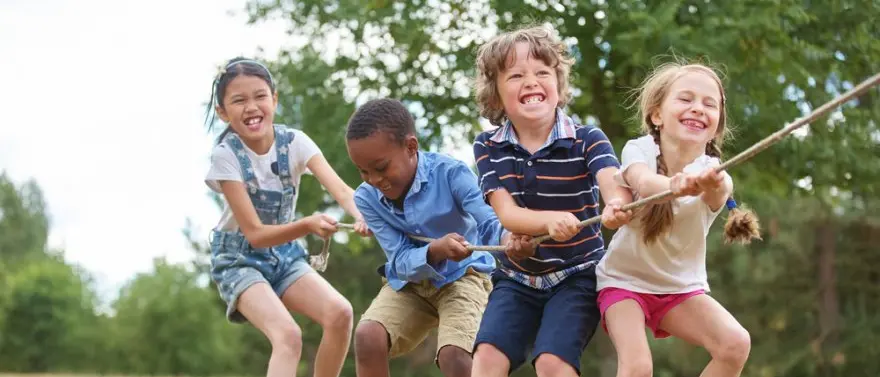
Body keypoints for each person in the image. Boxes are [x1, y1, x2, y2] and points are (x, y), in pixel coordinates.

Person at [469, 25, 634, 377]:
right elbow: (507, 213)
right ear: (496, 96)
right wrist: (548, 221)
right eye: (515, 75)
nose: (531, 81)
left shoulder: (587, 138)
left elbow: (611, 181)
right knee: (486, 359)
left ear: (558, 86)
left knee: (552, 363)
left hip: (578, 274)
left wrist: (616, 204)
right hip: (517, 279)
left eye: (542, 73)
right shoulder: (487, 146)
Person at [204, 57, 369, 377]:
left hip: (284, 256)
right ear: (223, 112)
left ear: (274, 99)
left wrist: (363, 218)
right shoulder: (226, 156)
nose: (251, 107)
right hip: (239, 259)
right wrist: (308, 224)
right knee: (288, 336)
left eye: (260, 96)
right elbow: (254, 233)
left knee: (340, 313)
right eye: (238, 100)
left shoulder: (295, 142)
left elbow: (345, 193)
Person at [595, 61, 762, 377]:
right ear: (657, 115)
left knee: (735, 344)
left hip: (680, 290)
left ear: (715, 126)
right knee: (638, 366)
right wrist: (675, 185)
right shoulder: (638, 149)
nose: (698, 108)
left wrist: (713, 183)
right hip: (623, 283)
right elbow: (642, 182)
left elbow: (721, 190)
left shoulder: (709, 168)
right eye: (686, 99)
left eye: (709, 104)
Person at [344, 98, 533, 377]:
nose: (373, 179)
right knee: (368, 336)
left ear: (411, 147)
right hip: (411, 284)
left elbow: (488, 219)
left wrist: (509, 241)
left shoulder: (451, 173)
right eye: (363, 171)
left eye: (381, 167)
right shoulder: (367, 198)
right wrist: (435, 250)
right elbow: (398, 260)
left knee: (454, 356)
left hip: (465, 276)